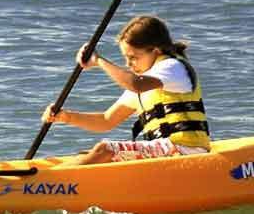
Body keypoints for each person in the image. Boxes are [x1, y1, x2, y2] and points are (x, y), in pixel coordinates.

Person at [41, 15, 210, 165]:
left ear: (156, 50)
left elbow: (135, 84)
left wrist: (99, 61)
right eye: (126, 58)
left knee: (105, 149)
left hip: (185, 150)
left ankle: (43, 185)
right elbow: (106, 121)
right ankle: (53, 180)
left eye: (133, 57)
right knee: (89, 154)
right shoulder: (145, 80)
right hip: (164, 153)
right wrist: (66, 117)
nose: (128, 64)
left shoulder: (172, 67)